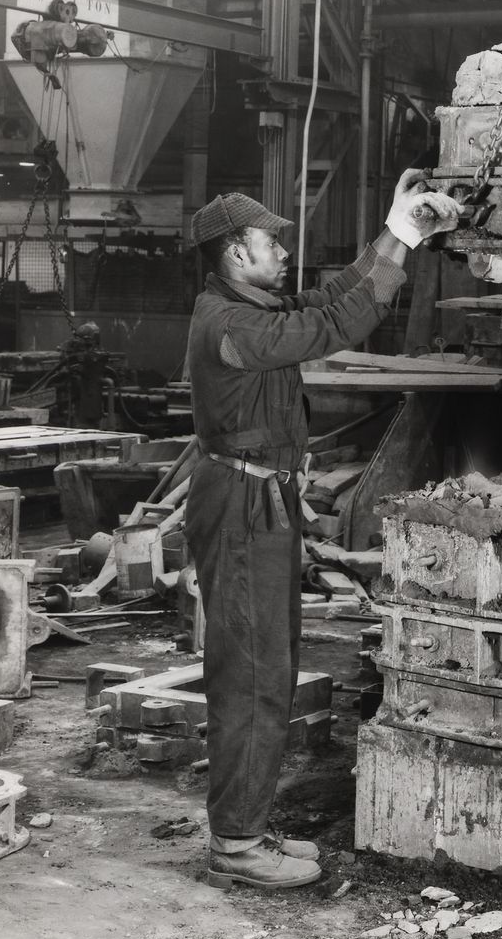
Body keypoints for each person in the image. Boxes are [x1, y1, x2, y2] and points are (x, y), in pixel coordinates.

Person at [184, 173, 460, 889]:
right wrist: (399, 236)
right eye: (269, 240)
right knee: (251, 676)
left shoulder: (256, 304)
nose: (282, 249)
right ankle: (237, 847)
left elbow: (336, 294)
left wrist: (398, 233)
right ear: (233, 253)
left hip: (263, 499)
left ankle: (246, 826)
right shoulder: (230, 325)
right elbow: (336, 327)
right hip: (240, 505)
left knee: (270, 666)